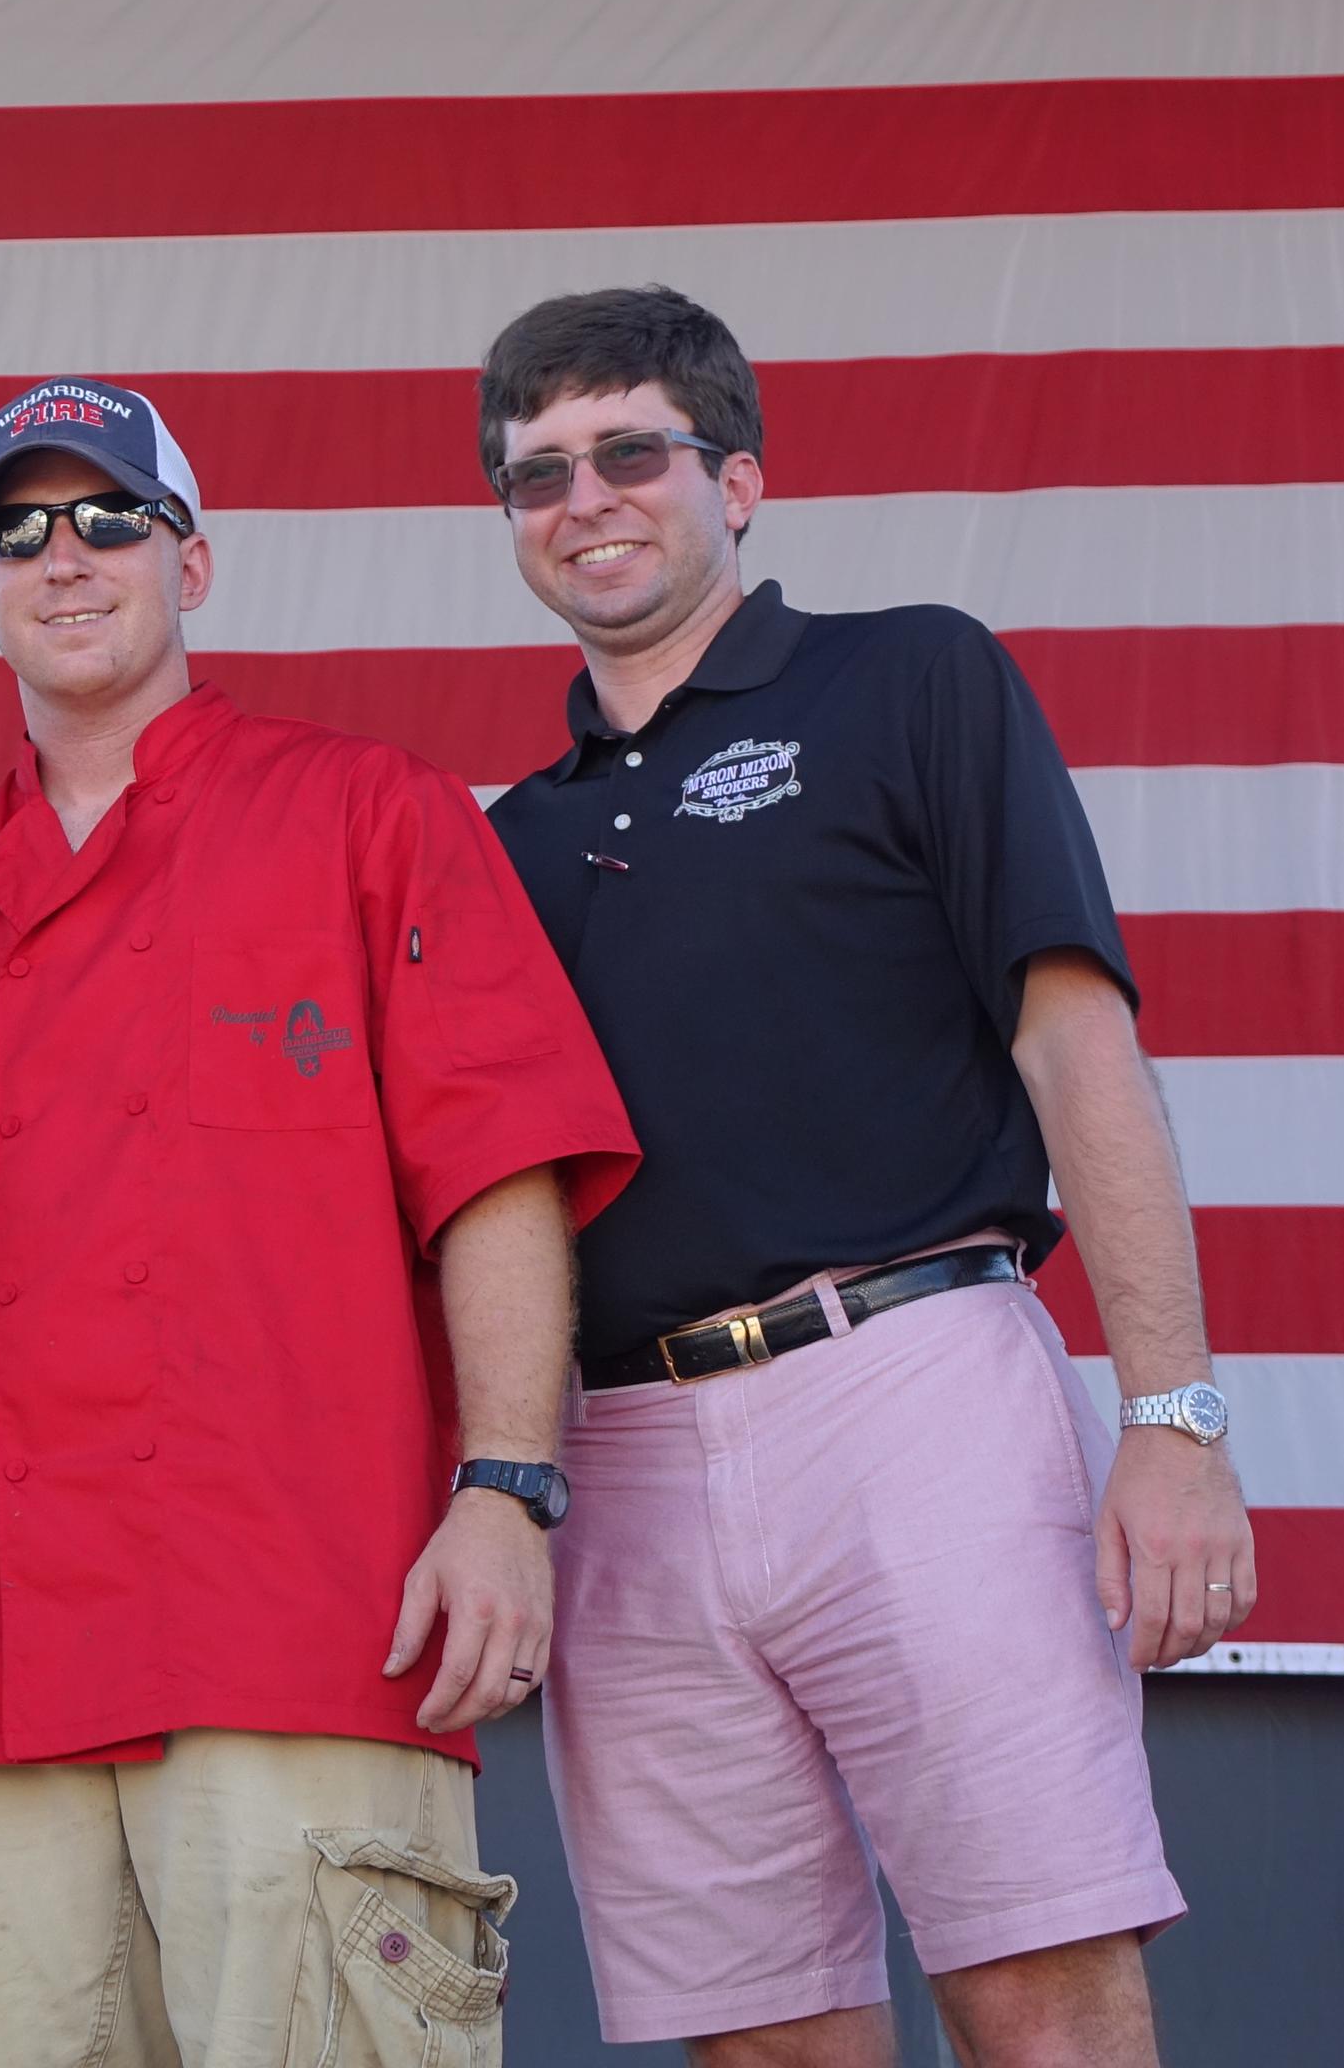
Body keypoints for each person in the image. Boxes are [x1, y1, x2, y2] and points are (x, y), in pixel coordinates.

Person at [0, 378, 638, 2068]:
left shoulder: (364, 812)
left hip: (304, 1622)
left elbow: (504, 1173)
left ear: (197, 562)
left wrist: (509, 1492)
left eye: (111, 517)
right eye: (18, 531)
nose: (67, 557)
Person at [472, 286, 1254, 2066]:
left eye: (629, 453)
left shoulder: (909, 672)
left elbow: (1079, 1053)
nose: (585, 499)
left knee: (1039, 1988)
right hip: (628, 1460)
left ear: (738, 477)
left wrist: (1175, 1419)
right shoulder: (505, 840)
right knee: (761, 2037)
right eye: (536, 476)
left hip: (907, 1378)